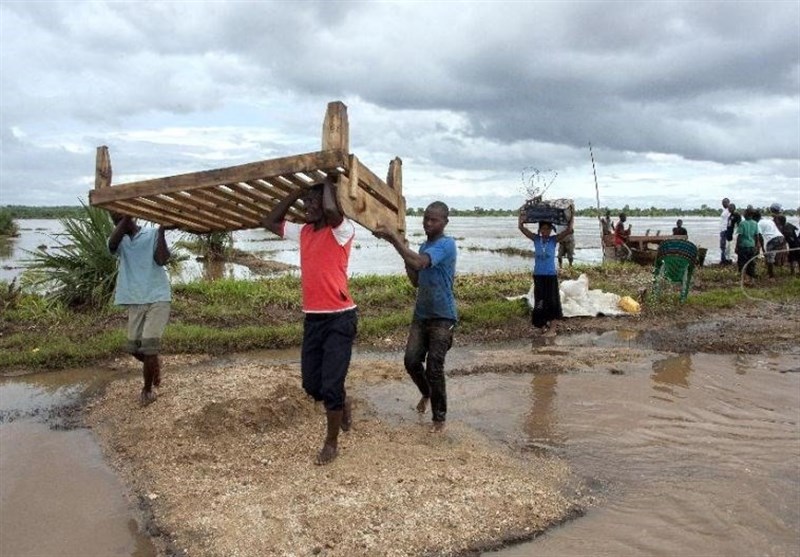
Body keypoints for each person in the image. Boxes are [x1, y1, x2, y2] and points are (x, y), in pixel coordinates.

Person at [261, 177, 358, 465]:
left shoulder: (343, 230)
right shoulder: (302, 232)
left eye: (314, 201)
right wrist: (296, 193)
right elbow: (269, 221)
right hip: (314, 319)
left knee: (329, 386)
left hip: (341, 318)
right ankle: (341, 400)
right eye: (307, 202)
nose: (309, 206)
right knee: (311, 385)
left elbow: (331, 210)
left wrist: (327, 181)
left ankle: (331, 443)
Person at [373, 202, 457, 433]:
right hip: (422, 315)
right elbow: (416, 279)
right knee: (411, 361)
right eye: (426, 218)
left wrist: (394, 240)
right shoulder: (423, 246)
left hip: (443, 316)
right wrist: (405, 254)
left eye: (434, 220)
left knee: (434, 367)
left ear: (445, 222)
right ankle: (427, 393)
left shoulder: (446, 244)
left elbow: (420, 262)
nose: (429, 223)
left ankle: (439, 418)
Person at [108, 213, 172, 406]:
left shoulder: (151, 234)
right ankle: (155, 365)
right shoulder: (118, 241)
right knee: (134, 348)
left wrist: (161, 232)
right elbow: (111, 246)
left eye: (119, 218)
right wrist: (125, 217)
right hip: (135, 299)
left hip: (158, 297)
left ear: (134, 217)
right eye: (116, 220)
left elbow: (161, 260)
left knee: (149, 346)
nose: (119, 223)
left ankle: (147, 389)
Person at [518, 206, 575, 337]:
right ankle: (542, 326)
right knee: (540, 301)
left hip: (550, 276)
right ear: (540, 230)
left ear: (551, 230)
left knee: (552, 302)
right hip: (538, 276)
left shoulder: (554, 240)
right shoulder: (536, 239)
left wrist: (572, 217)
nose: (546, 231)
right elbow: (521, 228)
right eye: (543, 229)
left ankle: (552, 329)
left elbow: (569, 230)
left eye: (548, 229)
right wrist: (521, 218)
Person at [757, 209, 786, 278]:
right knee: (773, 255)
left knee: (769, 257)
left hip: (773, 240)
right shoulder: (769, 220)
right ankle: (774, 270)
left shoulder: (758, 224)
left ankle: (771, 275)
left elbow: (760, 237)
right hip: (781, 238)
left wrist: (763, 249)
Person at [735, 208, 759, 283]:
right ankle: (751, 280)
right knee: (751, 263)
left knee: (742, 263)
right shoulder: (755, 223)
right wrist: (756, 245)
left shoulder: (742, 223)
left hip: (743, 246)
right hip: (752, 246)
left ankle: (744, 279)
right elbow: (757, 236)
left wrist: (736, 246)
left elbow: (739, 236)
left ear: (746, 214)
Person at [719, 198, 732, 264]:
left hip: (726, 231)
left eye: (725, 202)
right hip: (723, 230)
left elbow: (730, 222)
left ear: (728, 202)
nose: (723, 204)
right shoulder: (725, 211)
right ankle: (724, 259)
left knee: (725, 245)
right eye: (722, 202)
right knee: (723, 245)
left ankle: (725, 260)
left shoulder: (729, 211)